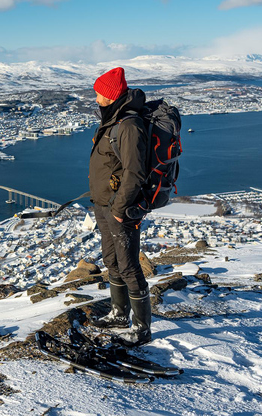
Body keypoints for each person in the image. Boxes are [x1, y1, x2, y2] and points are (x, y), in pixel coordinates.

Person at [87, 66, 152, 346]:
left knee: (128, 266)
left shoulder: (128, 125)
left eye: (100, 93)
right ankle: (118, 313)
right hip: (103, 204)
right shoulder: (112, 120)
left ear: (111, 96)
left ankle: (142, 328)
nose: (96, 97)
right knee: (111, 261)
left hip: (120, 209)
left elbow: (135, 172)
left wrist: (118, 207)